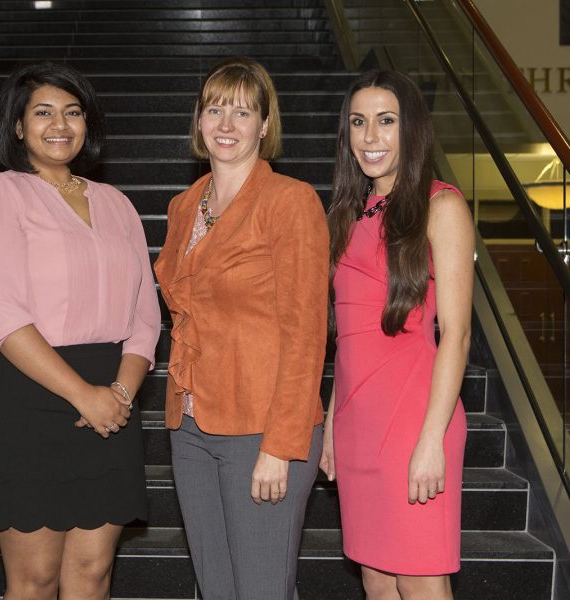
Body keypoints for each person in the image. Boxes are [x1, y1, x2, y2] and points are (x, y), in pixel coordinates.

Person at [0, 62, 161, 600]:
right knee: (34, 579)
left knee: (92, 574)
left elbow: (146, 316)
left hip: (113, 399)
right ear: (18, 126)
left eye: (73, 112)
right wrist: (83, 395)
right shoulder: (0, 193)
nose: (60, 125)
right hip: (26, 395)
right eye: (43, 112)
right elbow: (1, 313)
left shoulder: (116, 203)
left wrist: (118, 393)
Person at [153, 56, 328, 599]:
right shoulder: (184, 206)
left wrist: (280, 446)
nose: (226, 125)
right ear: (198, 121)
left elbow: (307, 334)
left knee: (261, 589)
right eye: (214, 110)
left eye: (243, 112)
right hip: (190, 426)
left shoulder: (290, 202)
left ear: (264, 125)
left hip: (261, 428)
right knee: (217, 589)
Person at [320, 69, 473, 599]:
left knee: (422, 581)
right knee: (378, 583)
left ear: (412, 130)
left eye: (386, 122)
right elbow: (348, 335)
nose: (370, 137)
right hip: (357, 423)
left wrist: (431, 440)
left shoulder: (441, 206)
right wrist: (331, 422)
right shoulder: (346, 214)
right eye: (359, 123)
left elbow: (456, 334)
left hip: (415, 420)